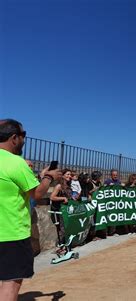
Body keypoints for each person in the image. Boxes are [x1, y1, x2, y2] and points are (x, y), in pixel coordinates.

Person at [0, 119, 62, 300]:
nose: (24, 140)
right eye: (23, 136)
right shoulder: (16, 163)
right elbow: (37, 194)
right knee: (10, 283)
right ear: (14, 138)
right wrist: (49, 177)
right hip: (10, 233)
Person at [49, 169, 73, 248]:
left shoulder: (68, 186)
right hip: (59, 211)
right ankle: (61, 246)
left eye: (70, 175)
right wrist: (63, 198)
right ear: (63, 175)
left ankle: (66, 245)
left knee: (67, 228)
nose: (69, 176)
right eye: (67, 174)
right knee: (62, 229)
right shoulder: (59, 186)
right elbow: (52, 197)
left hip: (66, 210)